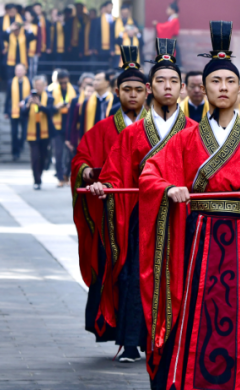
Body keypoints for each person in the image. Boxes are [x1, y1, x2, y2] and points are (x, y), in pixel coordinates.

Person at [139, 22, 240, 388]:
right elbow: (151, 174)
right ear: (201, 88)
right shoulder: (184, 139)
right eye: (215, 82)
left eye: (229, 82)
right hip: (199, 241)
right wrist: (168, 189)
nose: (223, 88)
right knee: (195, 309)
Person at [75, 46, 149, 355]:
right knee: (121, 273)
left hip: (150, 212)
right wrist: (88, 172)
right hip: (114, 215)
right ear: (117, 91)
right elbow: (81, 158)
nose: (132, 95)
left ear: (147, 91)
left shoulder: (159, 129)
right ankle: (127, 341)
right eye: (126, 89)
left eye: (138, 90)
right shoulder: (104, 129)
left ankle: (149, 339)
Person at [49, 69, 78, 186]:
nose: (64, 85)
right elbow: (48, 110)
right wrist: (56, 107)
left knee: (71, 154)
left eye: (65, 82)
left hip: (70, 126)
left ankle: (67, 174)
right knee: (58, 153)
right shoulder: (51, 91)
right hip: (57, 127)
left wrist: (72, 106)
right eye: (61, 83)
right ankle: (60, 178)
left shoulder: (75, 90)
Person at [26, 75, 52, 189]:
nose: (38, 87)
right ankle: (36, 180)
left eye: (40, 85)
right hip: (33, 132)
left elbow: (51, 111)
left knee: (43, 156)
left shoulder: (50, 98)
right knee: (35, 157)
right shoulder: (29, 98)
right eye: (36, 85)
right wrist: (27, 106)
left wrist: (40, 105)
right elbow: (22, 114)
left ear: (45, 85)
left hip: (45, 132)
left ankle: (39, 174)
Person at [78, 69, 118, 141]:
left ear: (107, 82)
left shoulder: (114, 100)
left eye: (98, 80)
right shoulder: (86, 102)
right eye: (94, 80)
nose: (95, 82)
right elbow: (82, 125)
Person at [7, 63, 32, 162]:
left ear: (25, 71)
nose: (19, 72)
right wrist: (6, 111)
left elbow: (31, 96)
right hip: (14, 110)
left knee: (24, 132)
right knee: (14, 132)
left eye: (21, 70)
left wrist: (25, 103)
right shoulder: (10, 82)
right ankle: (15, 152)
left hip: (25, 111)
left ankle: (21, 146)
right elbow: (8, 97)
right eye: (17, 70)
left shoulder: (29, 82)